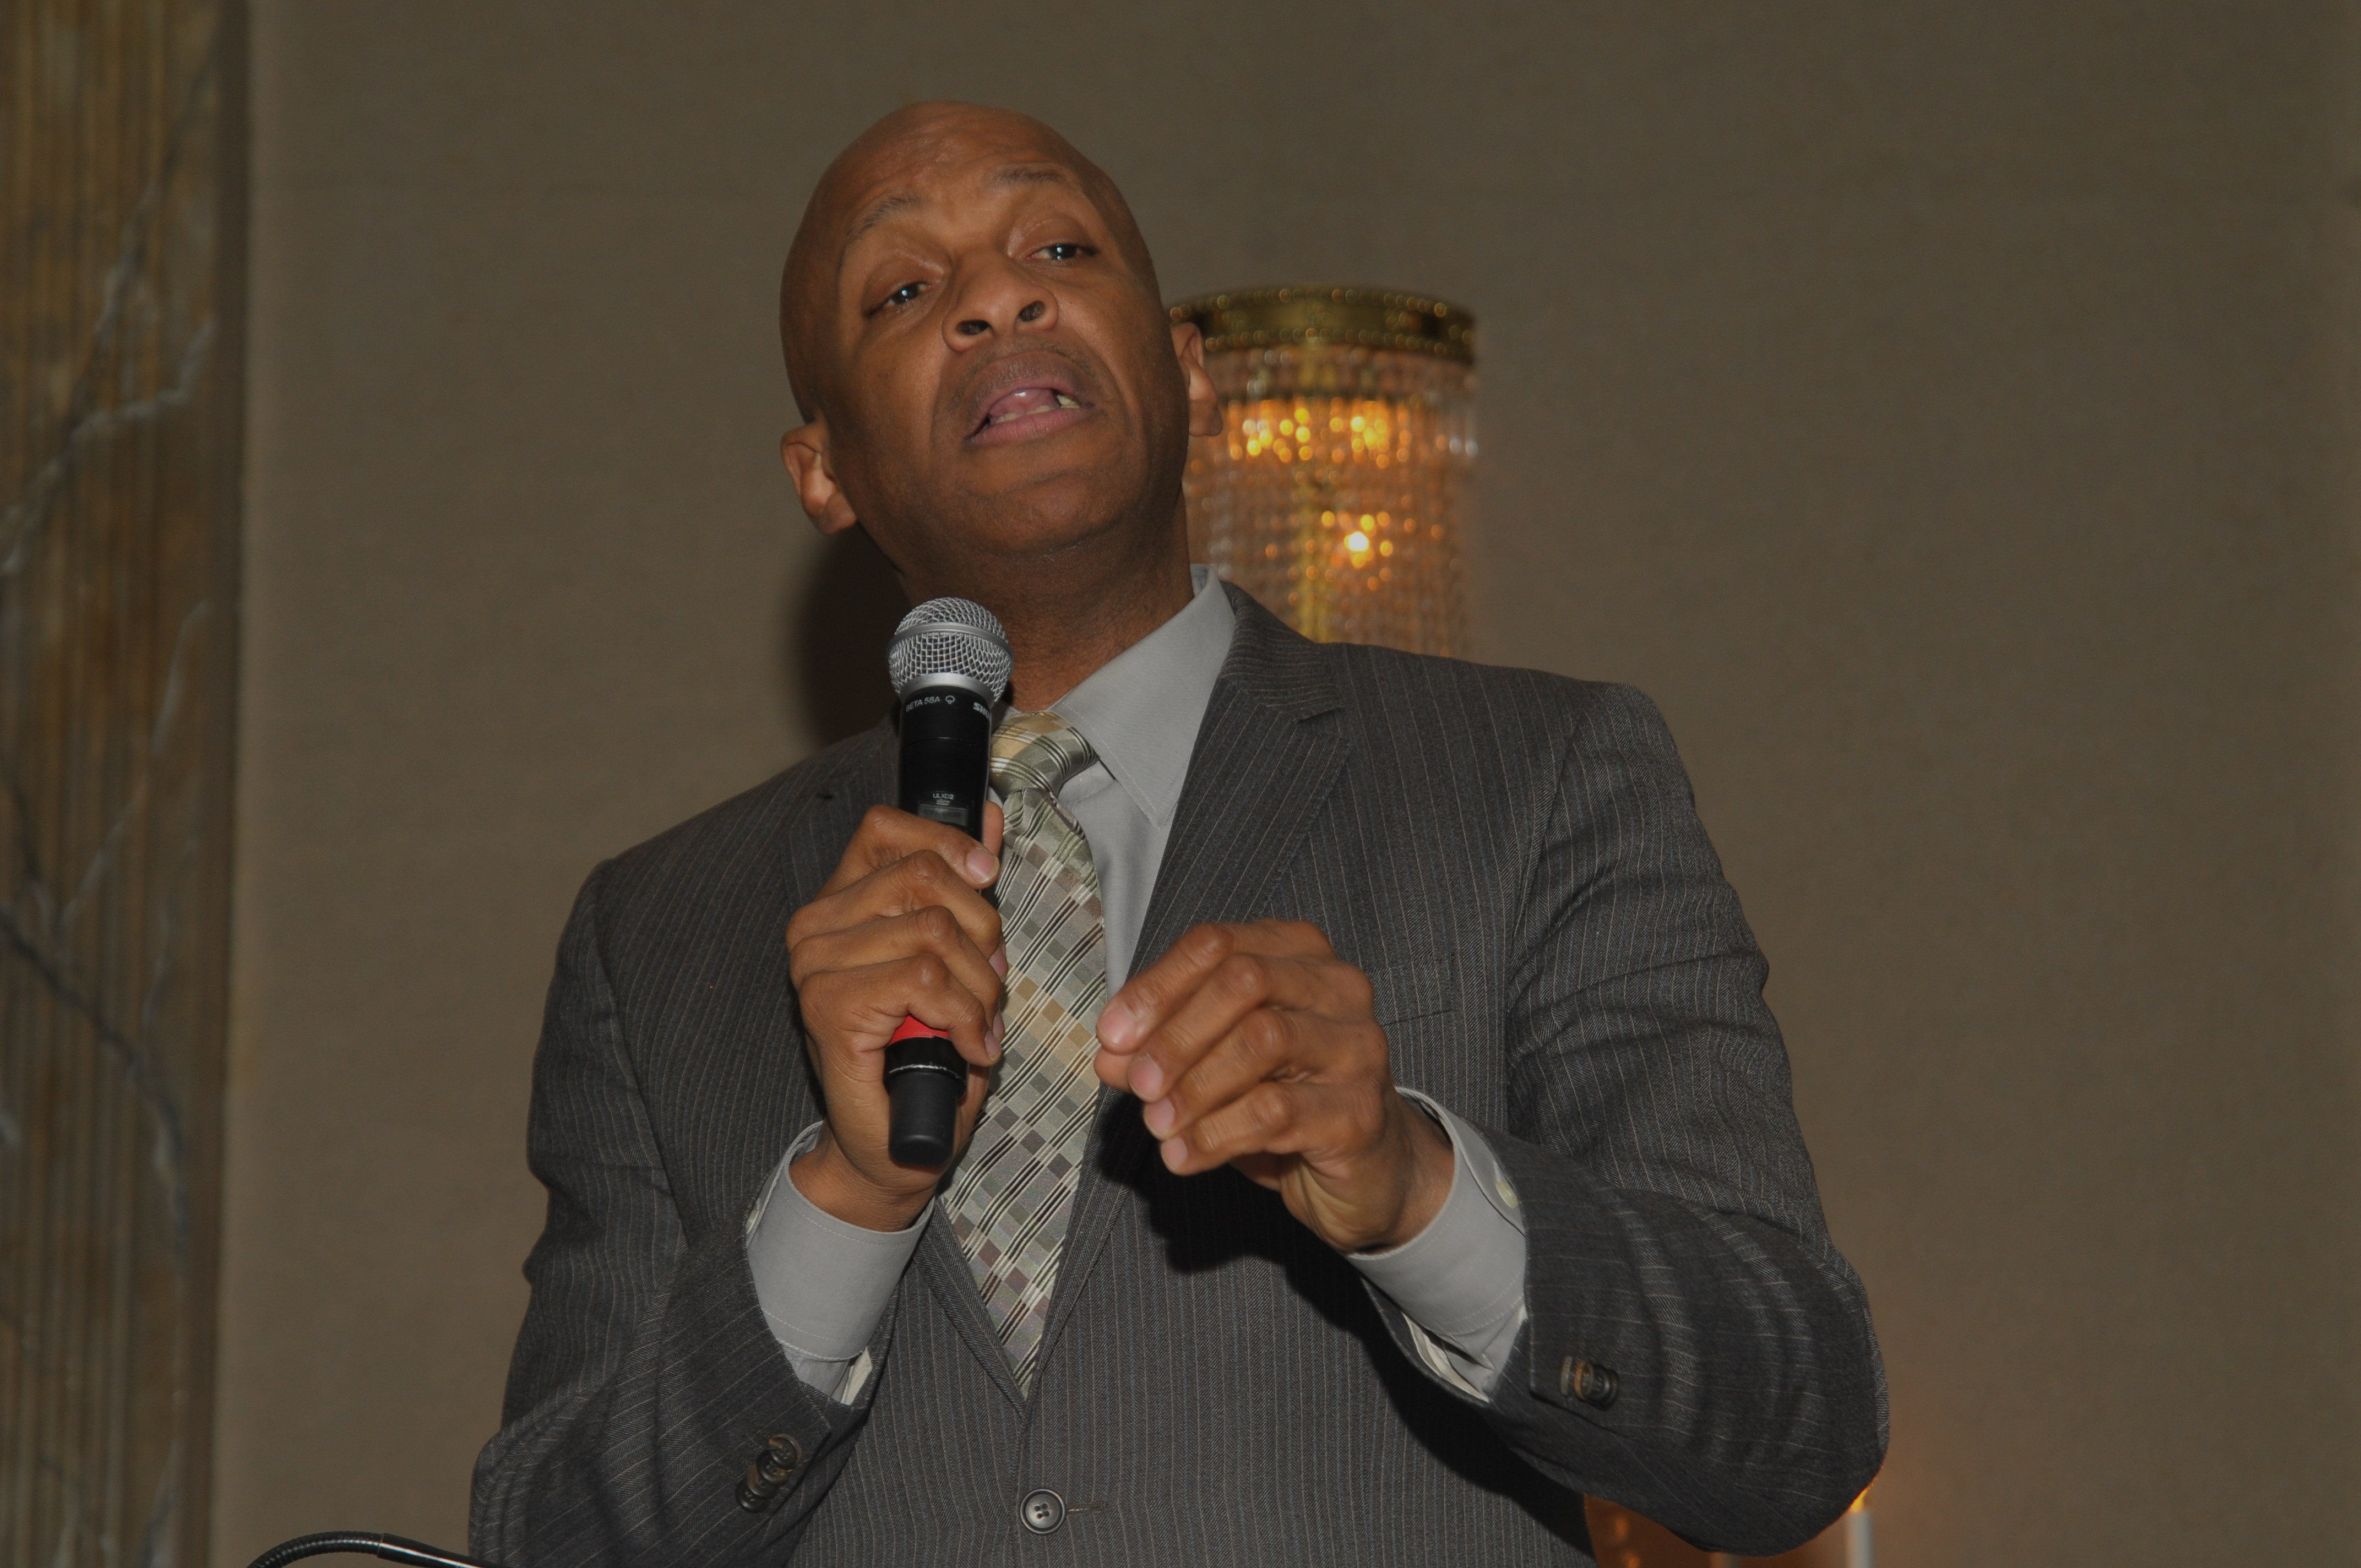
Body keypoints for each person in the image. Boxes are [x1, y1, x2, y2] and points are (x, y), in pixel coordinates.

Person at [471, 102, 1886, 1567]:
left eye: (1059, 249)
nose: (997, 297)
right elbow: (548, 1544)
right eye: (905, 289)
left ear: (1188, 372)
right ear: (821, 473)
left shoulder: (1539, 776)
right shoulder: (658, 933)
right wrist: (845, 1198)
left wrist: (1418, 1191)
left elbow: (1801, 1422)